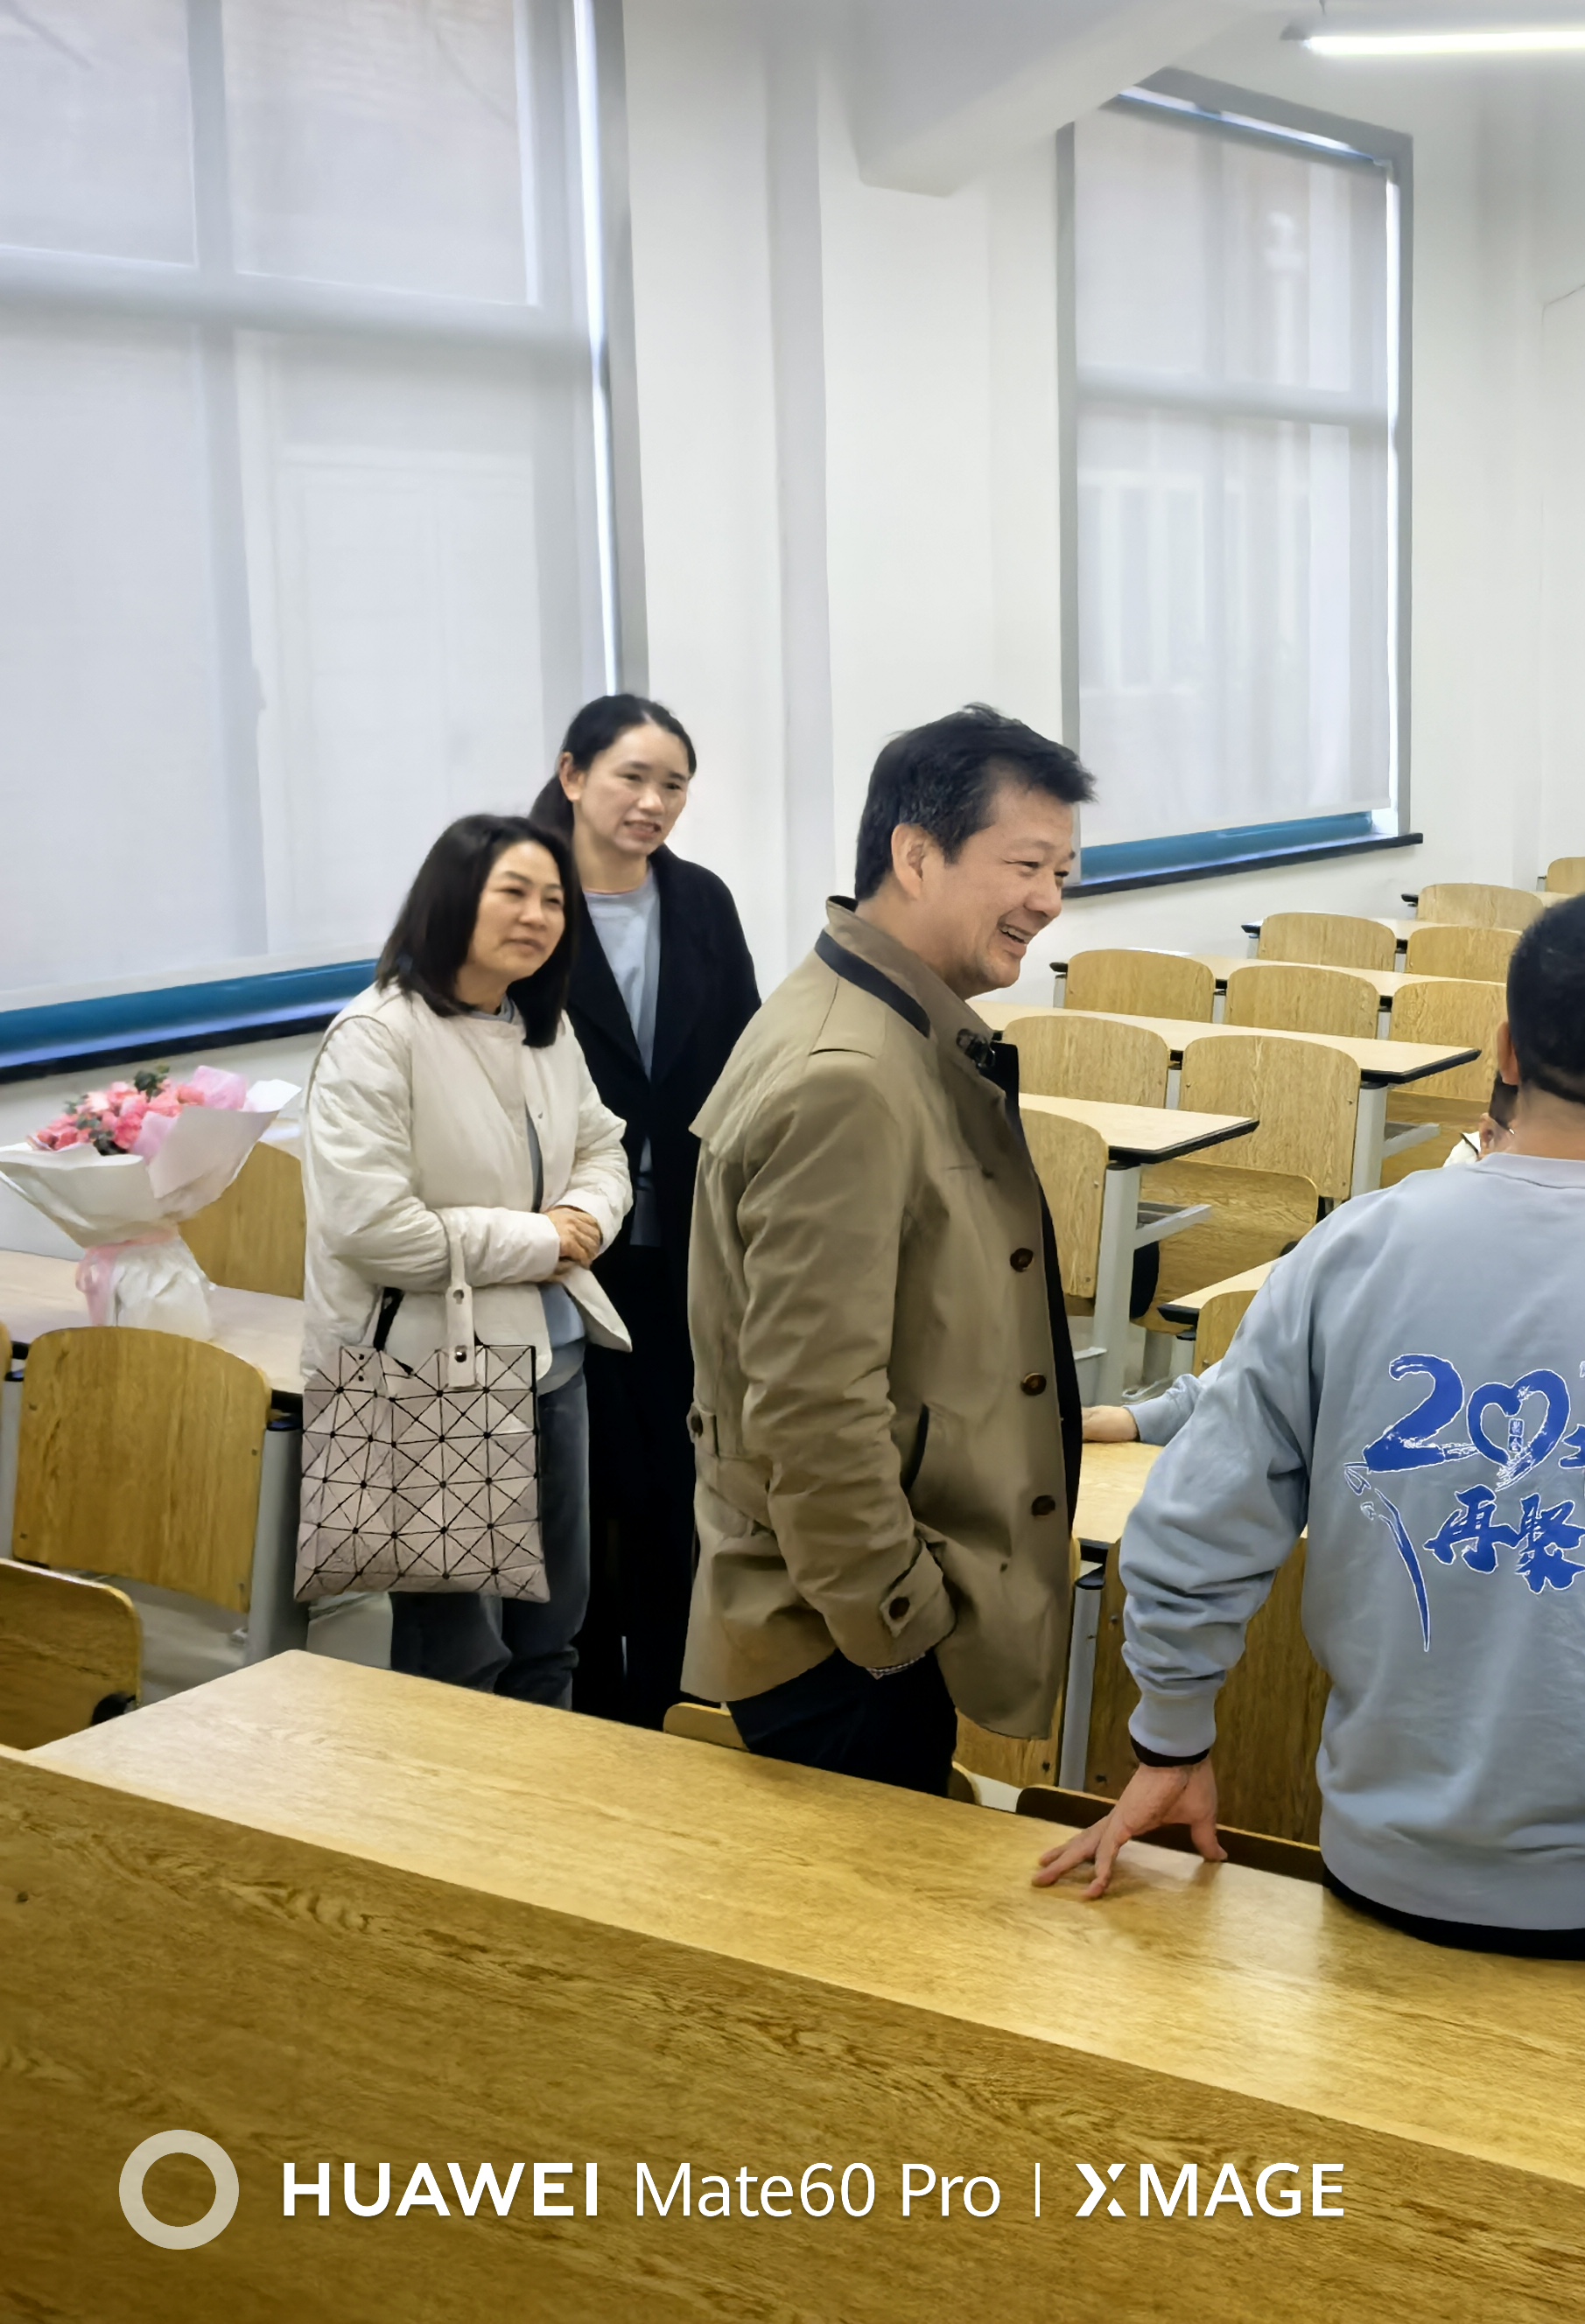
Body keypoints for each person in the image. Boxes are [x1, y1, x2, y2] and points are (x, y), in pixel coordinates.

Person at [1034, 888, 1585, 1980]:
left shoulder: (1350, 1252)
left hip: (1375, 1855)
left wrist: (1172, 1733)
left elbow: (1196, 1516)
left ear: (1505, 1049)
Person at [679, 705, 1097, 1796]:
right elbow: (811, 1406)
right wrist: (899, 1622)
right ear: (916, 856)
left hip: (845, 1614)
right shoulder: (851, 1076)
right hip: (842, 1639)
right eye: (1026, 866)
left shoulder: (878, 1023)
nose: (1049, 901)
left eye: (1062, 873)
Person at [301, 813, 632, 1705]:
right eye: (513, 892)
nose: (537, 916)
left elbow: (603, 1148)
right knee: (457, 1661)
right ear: (452, 900)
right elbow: (375, 1230)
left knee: (553, 1638)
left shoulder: (542, 1026)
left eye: (554, 900)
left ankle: (542, 1794)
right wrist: (542, 1240)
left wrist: (586, 1217)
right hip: (426, 1370)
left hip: (554, 1355)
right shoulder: (376, 1035)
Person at [529, 693, 761, 1732]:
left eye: (674, 784)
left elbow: (747, 1056)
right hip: (565, 1245)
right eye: (632, 776)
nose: (653, 801)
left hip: (688, 1248)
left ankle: (675, 1706)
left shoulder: (700, 900)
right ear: (573, 774)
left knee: (680, 1486)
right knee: (575, 1501)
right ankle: (581, 1715)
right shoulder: (524, 898)